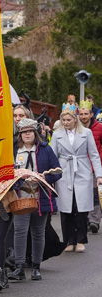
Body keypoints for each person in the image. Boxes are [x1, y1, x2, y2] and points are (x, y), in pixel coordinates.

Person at [8, 118, 61, 281]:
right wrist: (19, 181)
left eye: (30, 131)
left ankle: (36, 267)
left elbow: (58, 172)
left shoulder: (45, 149)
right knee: (19, 232)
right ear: (20, 135)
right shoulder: (14, 150)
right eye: (24, 132)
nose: (27, 134)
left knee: (38, 232)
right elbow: (6, 173)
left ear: (35, 133)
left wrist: (42, 178)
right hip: (20, 198)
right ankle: (19, 267)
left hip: (41, 197)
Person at [50, 102, 102, 252]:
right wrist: (52, 176)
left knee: (81, 207)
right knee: (66, 208)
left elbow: (94, 154)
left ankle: (80, 239)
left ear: (75, 119)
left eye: (69, 120)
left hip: (82, 170)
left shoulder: (86, 133)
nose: (66, 123)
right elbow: (53, 156)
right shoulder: (57, 134)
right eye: (64, 120)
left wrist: (99, 175)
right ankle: (68, 240)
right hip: (64, 171)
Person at [77, 101, 102, 233]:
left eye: (86, 114)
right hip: (81, 167)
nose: (83, 116)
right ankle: (85, 219)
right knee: (83, 195)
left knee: (96, 195)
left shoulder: (99, 128)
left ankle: (94, 220)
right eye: (81, 114)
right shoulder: (76, 129)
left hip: (96, 166)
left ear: (92, 114)